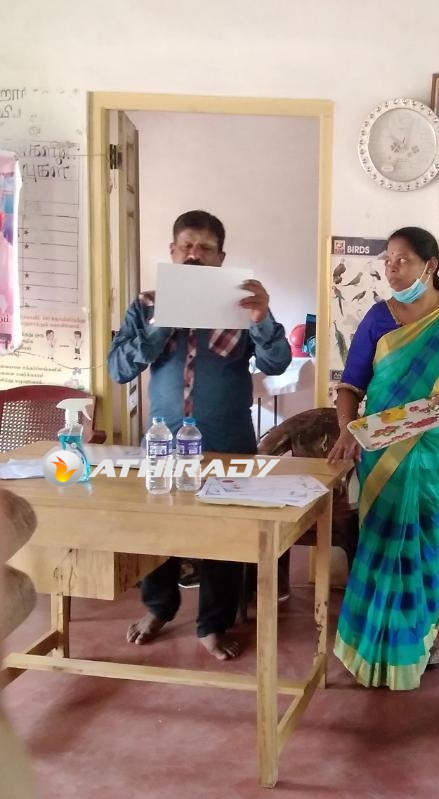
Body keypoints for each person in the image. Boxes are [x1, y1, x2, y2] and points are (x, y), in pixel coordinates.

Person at [327, 226, 439, 690]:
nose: (391, 268)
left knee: (431, 545)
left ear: (431, 265)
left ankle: (422, 638)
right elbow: (351, 385)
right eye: (387, 260)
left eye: (402, 259)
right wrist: (346, 429)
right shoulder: (378, 318)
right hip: (386, 451)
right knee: (381, 542)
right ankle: (370, 646)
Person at [108, 210, 291, 660]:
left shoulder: (242, 304)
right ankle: (159, 607)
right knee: (156, 529)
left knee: (226, 535)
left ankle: (212, 624)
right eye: (187, 246)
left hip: (227, 441)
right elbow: (118, 369)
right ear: (172, 252)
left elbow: (277, 363)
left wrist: (262, 318)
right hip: (163, 442)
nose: (195, 254)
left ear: (221, 258)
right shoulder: (146, 306)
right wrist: (162, 324)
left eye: (206, 248)